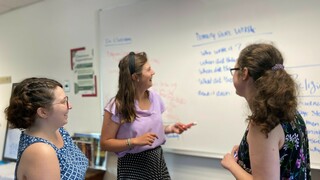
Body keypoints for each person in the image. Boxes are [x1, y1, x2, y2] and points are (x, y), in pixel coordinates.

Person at [221, 43, 311, 179]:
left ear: (244, 73)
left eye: (234, 70)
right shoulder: (290, 113)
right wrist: (243, 155)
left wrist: (230, 164)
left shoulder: (263, 123)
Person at [100, 52, 194, 179]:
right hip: (133, 166)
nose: (153, 72)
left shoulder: (154, 97)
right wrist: (134, 141)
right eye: (148, 69)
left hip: (156, 161)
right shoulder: (117, 105)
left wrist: (169, 129)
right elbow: (105, 143)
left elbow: (148, 130)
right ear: (135, 77)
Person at [4, 77, 88, 180]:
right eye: (63, 102)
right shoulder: (41, 152)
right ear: (43, 112)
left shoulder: (60, 131)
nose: (69, 106)